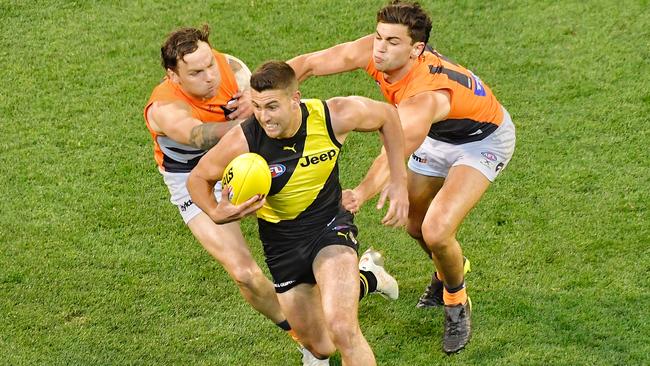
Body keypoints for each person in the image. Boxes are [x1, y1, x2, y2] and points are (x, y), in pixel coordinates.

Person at [287, 0, 516, 354]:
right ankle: (448, 270)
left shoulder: (424, 98)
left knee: (437, 230)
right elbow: (308, 64)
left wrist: (360, 194)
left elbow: (392, 151)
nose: (380, 48)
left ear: (416, 49)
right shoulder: (376, 51)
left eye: (393, 42)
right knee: (413, 223)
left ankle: (456, 300)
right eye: (379, 37)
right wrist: (266, 92)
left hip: (481, 140)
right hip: (437, 135)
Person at [187, 61, 409, 365]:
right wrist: (216, 212)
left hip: (329, 227)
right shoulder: (245, 139)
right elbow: (197, 178)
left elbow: (388, 115)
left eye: (272, 107)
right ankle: (369, 276)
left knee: (344, 329)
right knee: (321, 347)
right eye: (256, 107)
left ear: (295, 99)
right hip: (283, 245)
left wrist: (398, 179)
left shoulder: (332, 116)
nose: (263, 117)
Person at [143, 25, 300, 346]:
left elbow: (259, 89)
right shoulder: (165, 108)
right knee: (246, 275)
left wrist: (252, 101)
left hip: (243, 159)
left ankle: (364, 276)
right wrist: (256, 117)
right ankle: (303, 337)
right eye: (197, 72)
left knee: (306, 240)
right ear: (173, 76)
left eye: (210, 64)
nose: (210, 76)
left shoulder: (230, 68)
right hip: (191, 178)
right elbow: (196, 135)